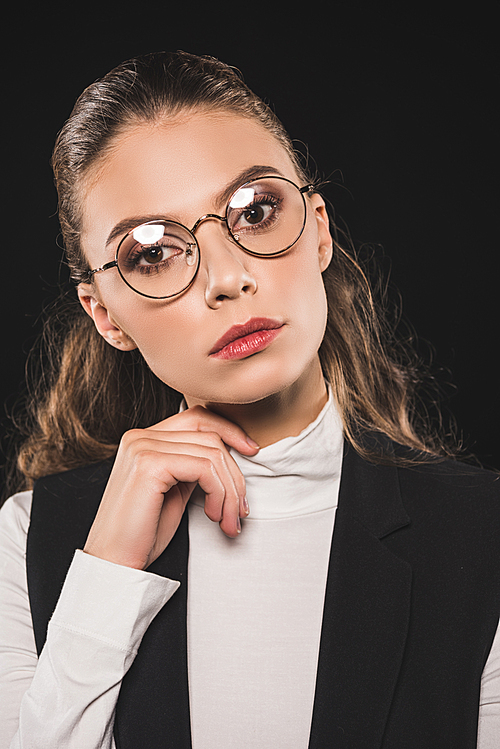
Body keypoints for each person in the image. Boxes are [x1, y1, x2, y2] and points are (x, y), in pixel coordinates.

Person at [0, 50, 499, 749]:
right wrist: (107, 570)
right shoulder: (27, 538)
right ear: (105, 313)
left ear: (318, 229)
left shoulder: (482, 535)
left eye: (256, 210)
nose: (227, 279)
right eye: (152, 251)